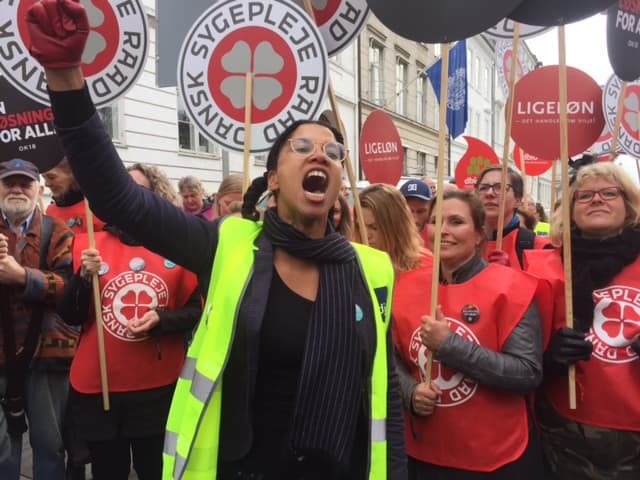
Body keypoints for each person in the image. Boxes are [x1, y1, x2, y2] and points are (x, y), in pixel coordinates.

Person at [26, 4, 407, 479]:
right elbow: (121, 199)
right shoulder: (228, 246)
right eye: (303, 147)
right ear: (273, 178)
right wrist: (65, 76)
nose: (322, 156)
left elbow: (384, 395)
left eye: (333, 151)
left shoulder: (372, 270)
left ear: (338, 181)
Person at [58, 164, 200, 480]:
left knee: (155, 470)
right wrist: (82, 279)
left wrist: (163, 319)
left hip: (157, 388)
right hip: (100, 389)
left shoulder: (179, 245)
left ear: (155, 196)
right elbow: (70, 314)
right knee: (109, 471)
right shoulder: (88, 245)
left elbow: (198, 310)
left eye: (138, 189)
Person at [393, 189, 546, 479]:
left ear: (479, 235)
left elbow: (526, 373)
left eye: (456, 222)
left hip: (496, 457)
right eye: (436, 221)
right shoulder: (405, 285)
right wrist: (409, 392)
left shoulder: (512, 289)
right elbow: (391, 358)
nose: (443, 231)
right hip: (424, 452)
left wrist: (449, 345)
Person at [524, 162, 640, 479]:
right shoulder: (540, 268)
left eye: (609, 193)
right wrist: (548, 359)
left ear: (629, 205)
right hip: (566, 436)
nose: (596, 199)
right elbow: (517, 355)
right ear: (571, 211)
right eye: (584, 195)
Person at [0, 158, 76, 480]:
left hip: (46, 355)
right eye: (9, 183)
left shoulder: (56, 230)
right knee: (2, 451)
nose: (17, 189)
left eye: (25, 183)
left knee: (49, 446)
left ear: (38, 188)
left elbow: (71, 288)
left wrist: (22, 276)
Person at [475, 166, 548, 269]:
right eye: (483, 188)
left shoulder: (539, 247)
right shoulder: (462, 243)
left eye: (500, 187)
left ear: (518, 200)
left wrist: (511, 274)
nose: (489, 193)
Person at [354, 183, 426, 273]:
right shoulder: (351, 268)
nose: (366, 235)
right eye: (360, 227)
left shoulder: (426, 269)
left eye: (374, 227)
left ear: (396, 227)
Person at [43, 157, 106, 233]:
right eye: (44, 178)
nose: (46, 184)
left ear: (74, 175)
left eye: (51, 177)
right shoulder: (50, 211)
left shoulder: (98, 210)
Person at [399, 179, 432, 246]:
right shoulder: (386, 239)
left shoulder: (438, 239)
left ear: (431, 210)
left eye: (421, 212)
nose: (415, 220)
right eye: (408, 211)